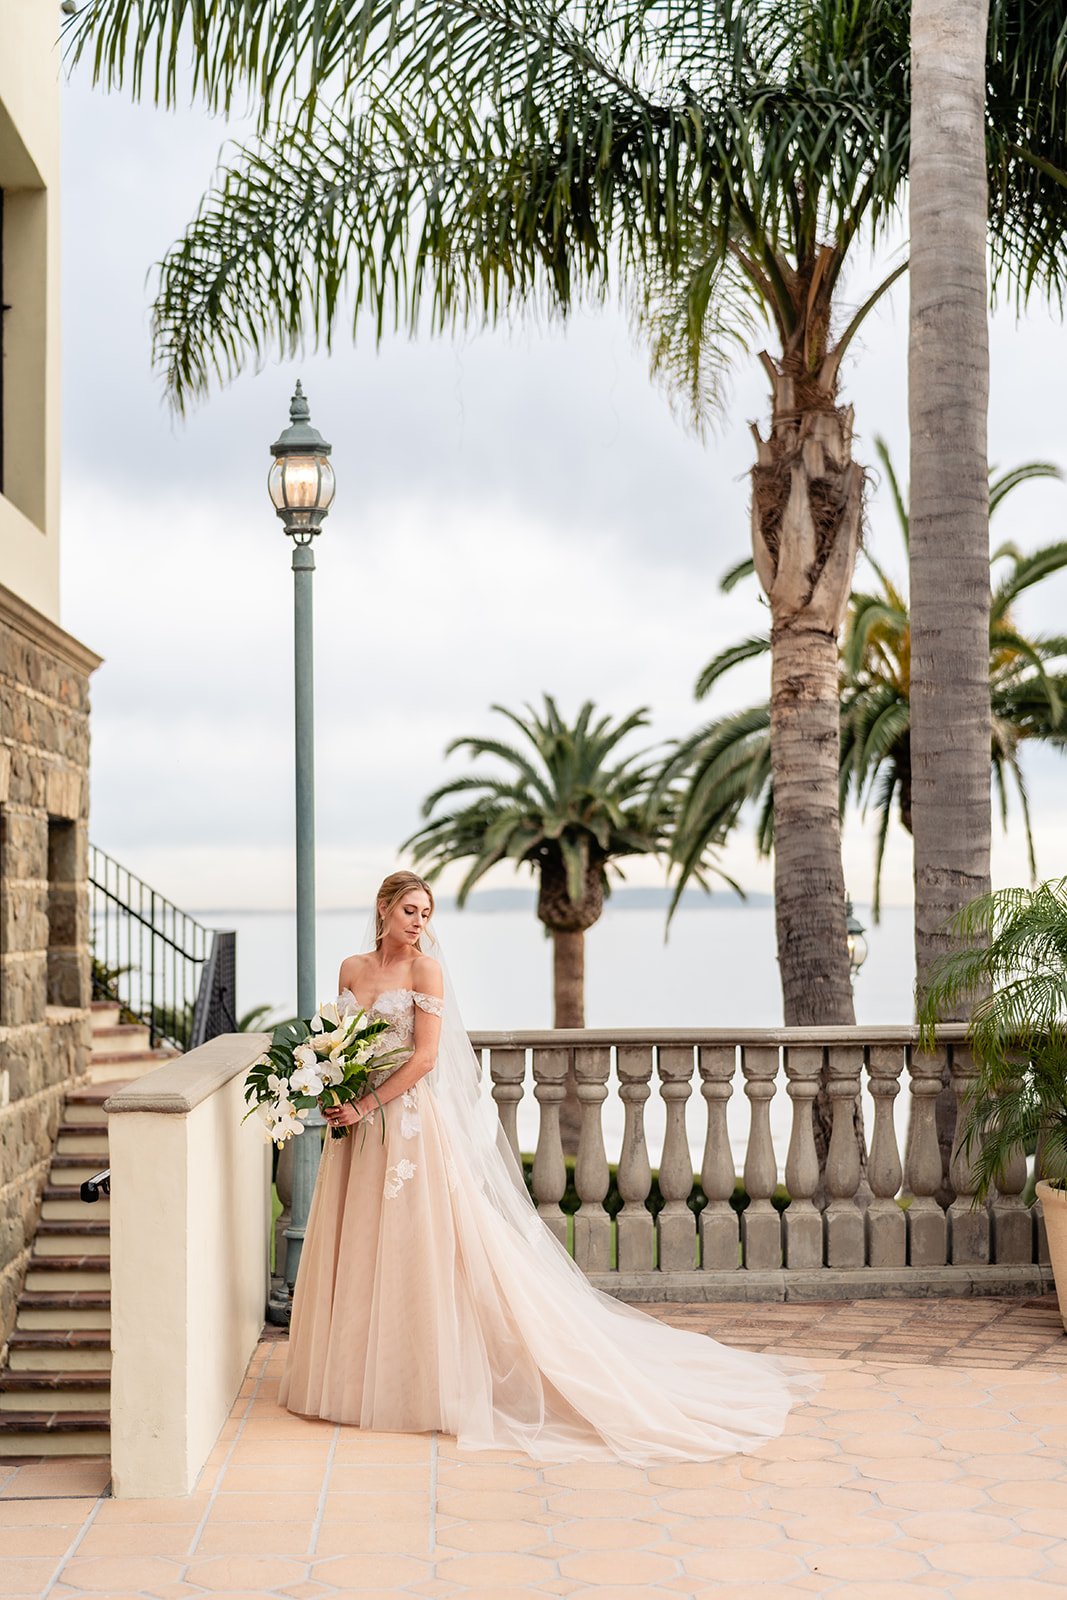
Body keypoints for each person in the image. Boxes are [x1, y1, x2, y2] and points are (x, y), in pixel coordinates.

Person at [280, 870, 816, 1461]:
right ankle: (354, 1380)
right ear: (383, 908)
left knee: (417, 1249)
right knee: (358, 1248)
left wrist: (364, 1103)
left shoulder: (424, 970)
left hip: (402, 1125)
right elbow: (336, 1043)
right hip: (354, 1133)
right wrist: (334, 1088)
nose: (419, 922)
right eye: (410, 910)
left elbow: (427, 1057)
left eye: (426, 913)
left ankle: (417, 1384)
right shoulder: (351, 970)